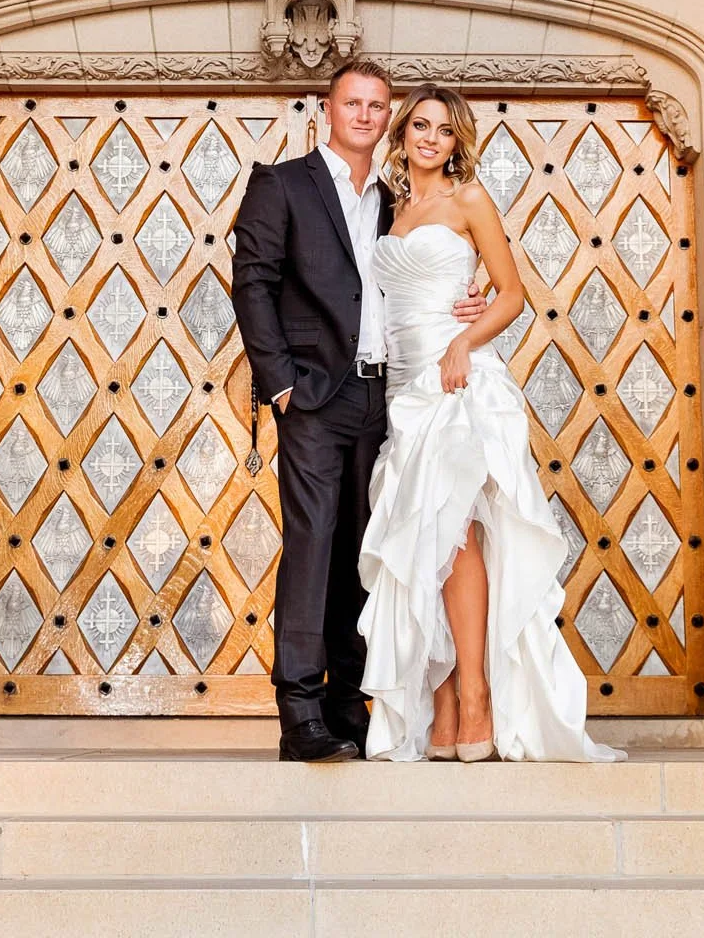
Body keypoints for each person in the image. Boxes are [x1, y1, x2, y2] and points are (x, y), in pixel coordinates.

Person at [356, 85, 621, 763]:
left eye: (444, 131)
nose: (430, 139)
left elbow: (511, 293)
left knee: (460, 533)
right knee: (423, 543)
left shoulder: (468, 199)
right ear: (402, 133)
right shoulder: (385, 207)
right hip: (399, 387)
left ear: (456, 142)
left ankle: (475, 697)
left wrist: (462, 345)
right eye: (420, 126)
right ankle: (441, 701)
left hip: (455, 378)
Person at [229, 58, 484, 762]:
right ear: (328, 108)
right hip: (313, 394)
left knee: (364, 549)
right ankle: (301, 712)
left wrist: (475, 300)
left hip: (389, 394)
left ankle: (348, 702)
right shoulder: (281, 183)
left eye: (378, 106)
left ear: (387, 117)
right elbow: (252, 283)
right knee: (313, 545)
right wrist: (280, 383)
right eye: (354, 103)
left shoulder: (394, 198)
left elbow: (434, 269)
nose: (366, 116)